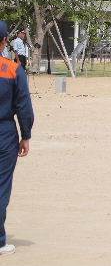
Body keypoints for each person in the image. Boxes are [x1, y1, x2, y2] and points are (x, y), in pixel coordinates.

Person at [0, 21, 34, 256]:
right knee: (1, 187)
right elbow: (23, 106)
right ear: (4, 41)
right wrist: (26, 135)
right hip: (4, 133)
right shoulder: (12, 69)